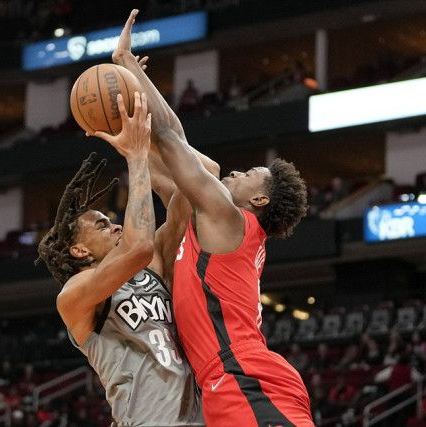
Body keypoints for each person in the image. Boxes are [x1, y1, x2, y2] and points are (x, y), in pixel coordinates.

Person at [113, 9, 312, 426]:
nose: (238, 172)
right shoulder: (215, 224)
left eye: (250, 173)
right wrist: (127, 122)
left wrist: (127, 64)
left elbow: (171, 137)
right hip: (233, 380)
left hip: (244, 377)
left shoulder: (230, 219)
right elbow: (169, 162)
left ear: (259, 198)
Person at [36, 92, 204, 426]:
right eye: (102, 225)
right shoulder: (74, 297)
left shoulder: (152, 267)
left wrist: (146, 129)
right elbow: (138, 247)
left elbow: (199, 181)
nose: (114, 226)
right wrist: (135, 155)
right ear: (79, 251)